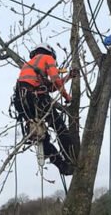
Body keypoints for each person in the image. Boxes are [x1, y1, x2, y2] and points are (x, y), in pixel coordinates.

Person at [13, 43, 78, 175]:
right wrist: (67, 97)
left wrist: (68, 77)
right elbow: (55, 80)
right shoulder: (48, 58)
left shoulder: (30, 65)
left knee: (41, 137)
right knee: (60, 127)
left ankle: (61, 165)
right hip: (37, 99)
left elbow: (50, 87)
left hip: (22, 102)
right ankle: (72, 159)